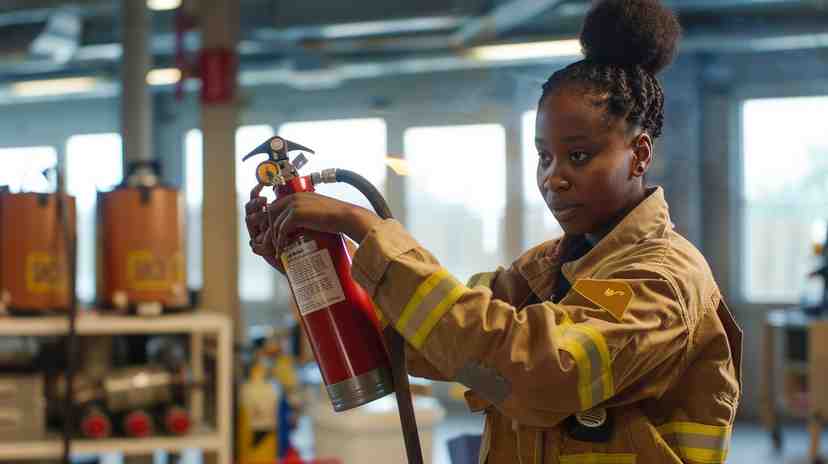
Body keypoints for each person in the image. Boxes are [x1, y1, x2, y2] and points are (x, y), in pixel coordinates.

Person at [245, 0, 742, 462]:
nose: (555, 176)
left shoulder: (663, 280)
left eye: (580, 155)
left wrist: (366, 227)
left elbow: (538, 370)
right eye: (544, 156)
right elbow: (429, 337)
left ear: (639, 154)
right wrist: (311, 261)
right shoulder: (544, 270)